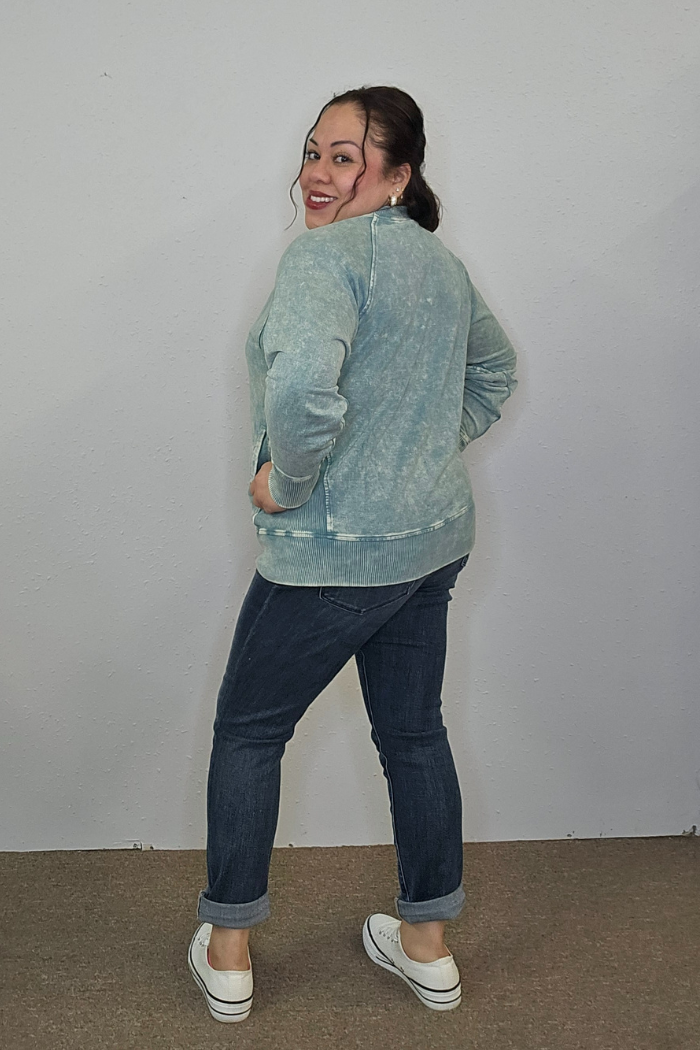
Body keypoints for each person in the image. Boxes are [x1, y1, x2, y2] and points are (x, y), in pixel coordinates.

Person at [188, 85, 518, 1022]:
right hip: (431, 545)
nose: (317, 175)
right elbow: (494, 371)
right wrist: (416, 459)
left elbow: (302, 392)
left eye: (344, 157)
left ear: (399, 174)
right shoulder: (438, 266)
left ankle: (230, 951)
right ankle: (427, 946)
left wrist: (287, 484)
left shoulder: (322, 260)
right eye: (312, 152)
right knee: (413, 733)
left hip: (334, 557)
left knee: (250, 733)